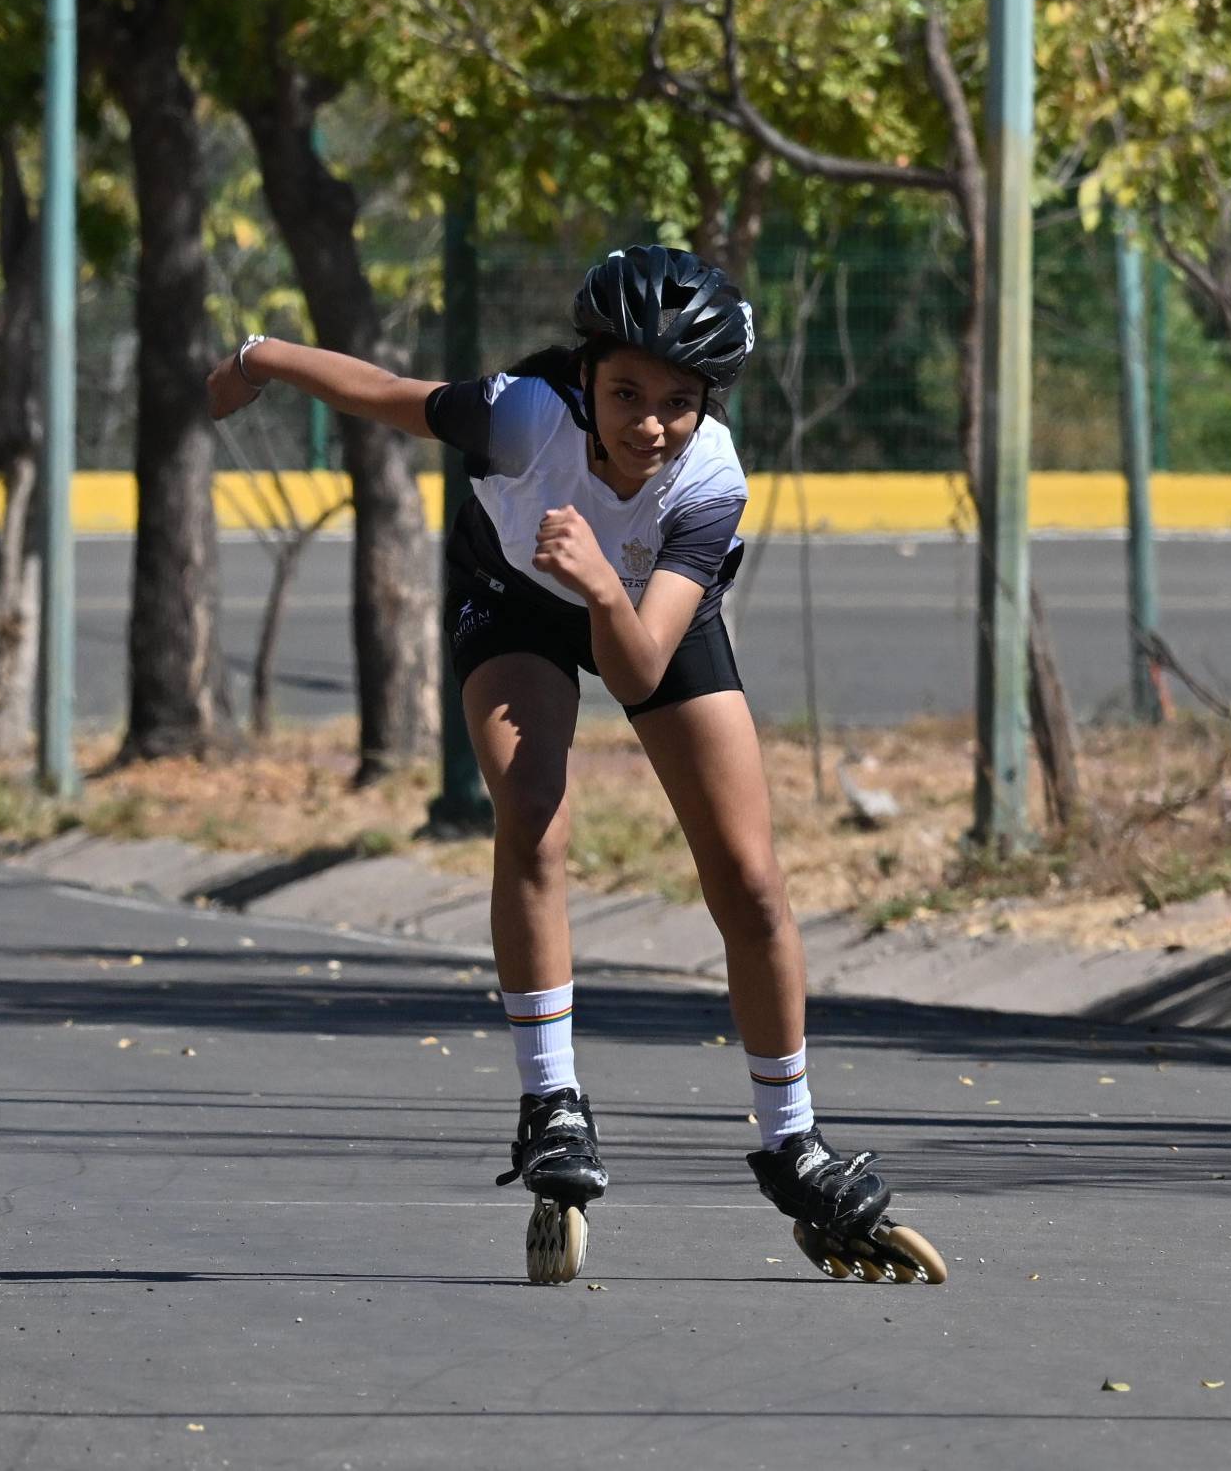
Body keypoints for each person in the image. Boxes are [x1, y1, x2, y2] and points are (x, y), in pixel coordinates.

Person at [206, 245, 943, 1285]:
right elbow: (385, 393)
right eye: (625, 392)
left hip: (636, 612)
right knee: (533, 811)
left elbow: (639, 663)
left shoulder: (711, 483)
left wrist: (603, 585)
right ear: (586, 374)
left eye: (677, 403)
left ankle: (793, 1141)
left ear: (707, 405)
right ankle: (550, 1099)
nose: (647, 424)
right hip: (510, 590)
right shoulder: (520, 417)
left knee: (752, 879)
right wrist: (261, 356)